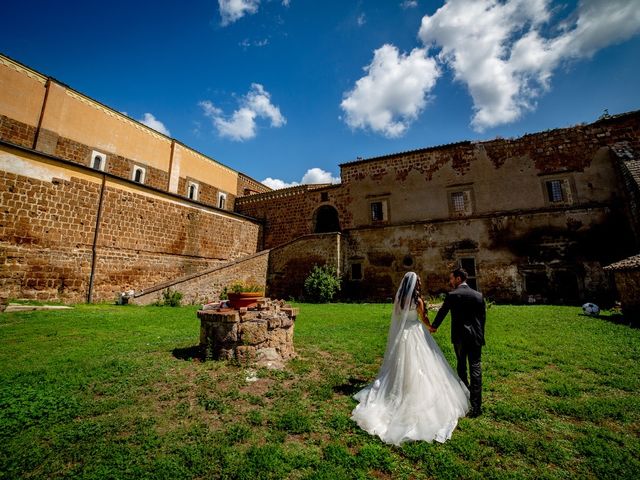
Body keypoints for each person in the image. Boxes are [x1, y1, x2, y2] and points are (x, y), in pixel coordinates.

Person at [351, 272, 470, 446]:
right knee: (423, 363)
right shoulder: (418, 301)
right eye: (419, 282)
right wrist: (430, 326)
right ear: (415, 285)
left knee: (401, 364)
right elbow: (423, 318)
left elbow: (398, 317)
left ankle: (397, 388)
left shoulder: (399, 300)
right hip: (416, 332)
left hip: (403, 335)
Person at [430, 268, 486, 417]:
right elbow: (482, 319)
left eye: (452, 278)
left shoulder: (453, 295)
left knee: (461, 366)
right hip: (476, 337)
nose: (450, 281)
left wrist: (434, 326)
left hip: (460, 337)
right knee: (476, 368)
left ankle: (463, 396)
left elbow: (443, 312)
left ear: (459, 279)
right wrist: (480, 336)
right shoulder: (478, 295)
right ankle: (476, 405)